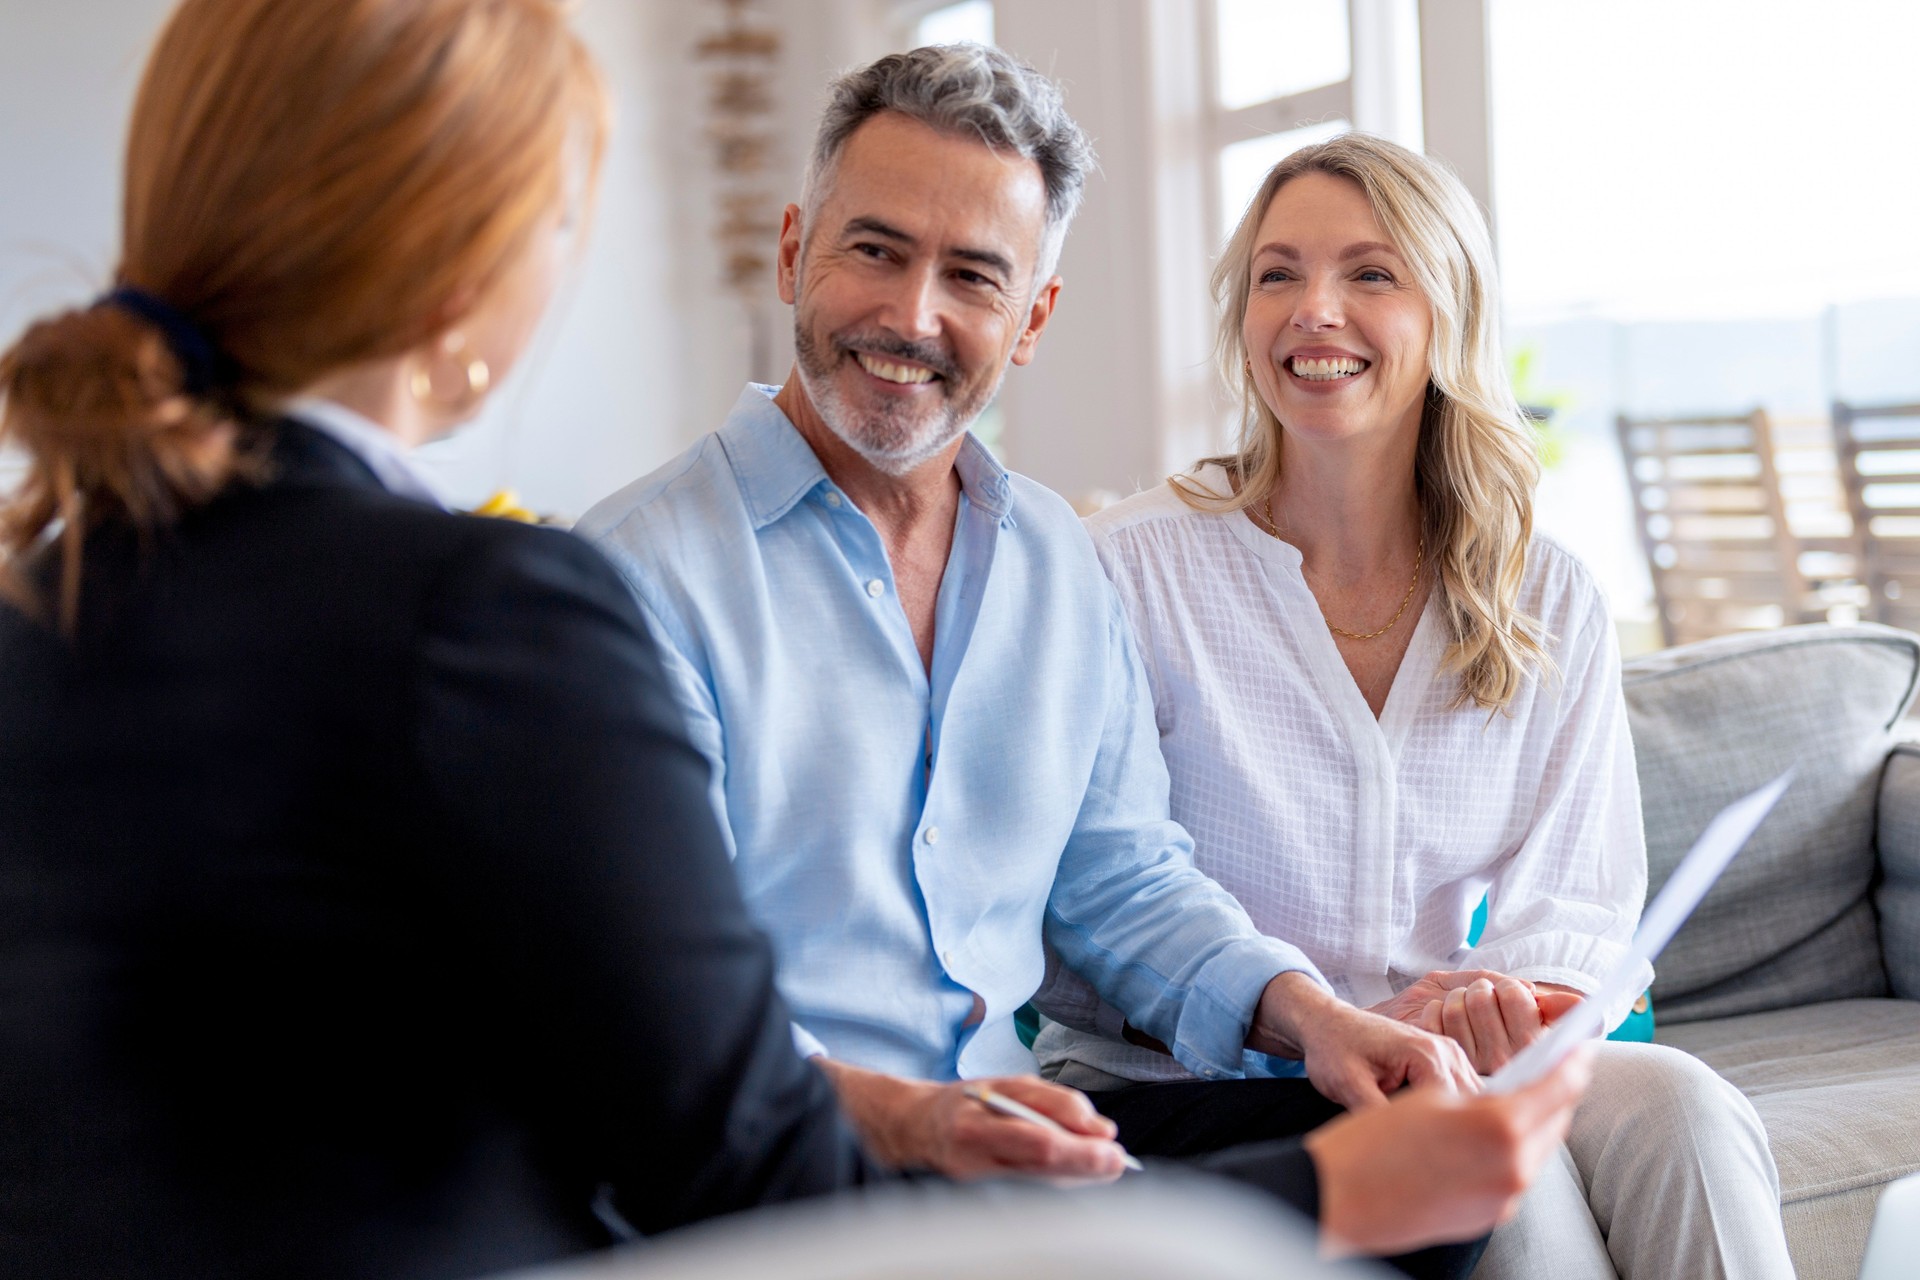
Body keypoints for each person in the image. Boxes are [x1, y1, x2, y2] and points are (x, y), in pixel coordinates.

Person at [579, 44, 1588, 1277]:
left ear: (1033, 318)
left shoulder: (1055, 560)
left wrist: (1320, 1021)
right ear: (795, 251)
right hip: (782, 1174)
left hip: (1016, 1148)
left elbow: (1128, 885)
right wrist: (914, 1121)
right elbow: (644, 1019)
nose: (913, 316)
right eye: (877, 250)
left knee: (1417, 1168)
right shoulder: (627, 581)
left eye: (974, 276)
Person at [0, 2, 881, 1276]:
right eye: (560, 215)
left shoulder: (38, 602)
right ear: (464, 263)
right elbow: (758, 1179)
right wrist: (1258, 1187)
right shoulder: (485, 612)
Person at [1031, 134, 1796, 1280]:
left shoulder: (1544, 591)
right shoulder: (1127, 571)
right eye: (1278, 273)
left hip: (1446, 1056)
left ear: (1451, 313)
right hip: (1196, 1084)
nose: (1314, 310)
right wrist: (1314, 1019)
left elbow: (1583, 897)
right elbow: (1081, 906)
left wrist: (1507, 996)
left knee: (1691, 1108)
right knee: (1500, 1171)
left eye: (1370, 273)